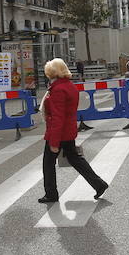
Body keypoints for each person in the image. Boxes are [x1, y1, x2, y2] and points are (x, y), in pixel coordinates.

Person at [38, 57, 108, 203]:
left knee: (48, 163)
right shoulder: (68, 85)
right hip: (68, 129)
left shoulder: (58, 89)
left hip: (58, 132)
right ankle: (98, 184)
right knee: (75, 159)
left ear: (52, 72)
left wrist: (54, 141)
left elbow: (58, 116)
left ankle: (51, 194)